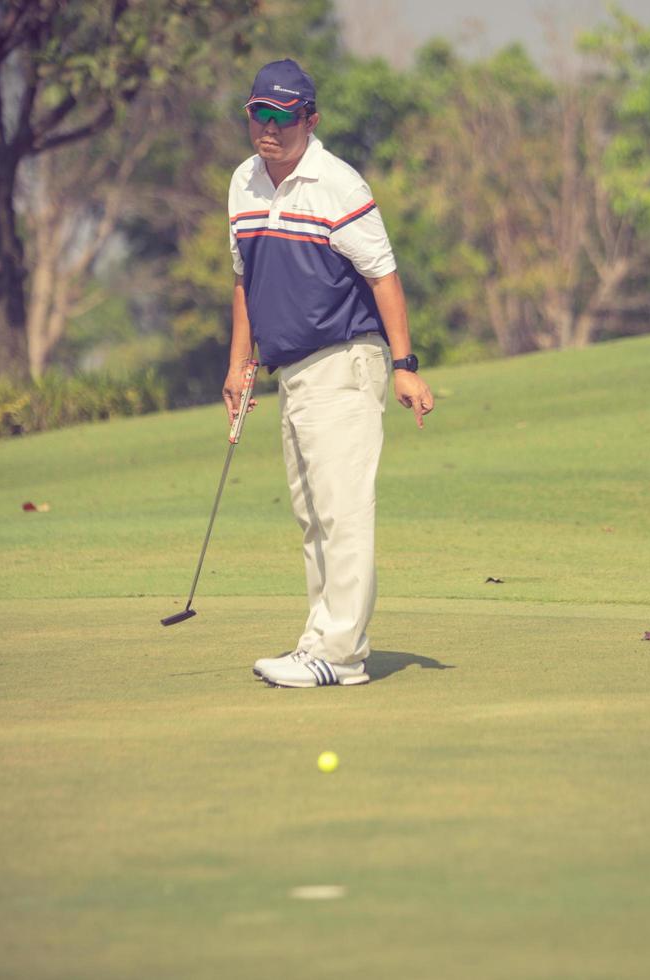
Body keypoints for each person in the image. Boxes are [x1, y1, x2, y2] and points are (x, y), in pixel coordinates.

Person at [223, 59, 433, 689]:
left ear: (310, 119)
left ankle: (341, 655)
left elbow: (383, 275)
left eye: (284, 116)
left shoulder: (338, 184)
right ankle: (319, 643)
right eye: (259, 113)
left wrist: (404, 365)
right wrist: (240, 363)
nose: (269, 128)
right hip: (292, 371)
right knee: (312, 514)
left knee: (342, 511)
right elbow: (245, 279)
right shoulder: (243, 183)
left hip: (345, 360)